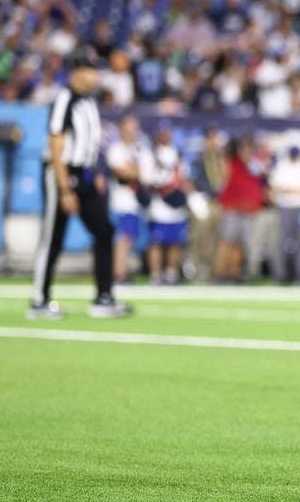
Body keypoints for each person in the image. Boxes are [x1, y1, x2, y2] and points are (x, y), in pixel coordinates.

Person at [29, 49, 131, 319]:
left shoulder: (89, 101)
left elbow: (90, 143)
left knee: (104, 230)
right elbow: (55, 144)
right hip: (60, 172)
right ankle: (39, 300)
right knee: (53, 237)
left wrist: (95, 172)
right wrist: (64, 188)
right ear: (77, 72)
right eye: (91, 70)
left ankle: (104, 297)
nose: (96, 76)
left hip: (84, 173)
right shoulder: (65, 99)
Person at [140, 127, 189, 285]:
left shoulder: (178, 153)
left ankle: (171, 273)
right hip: (158, 204)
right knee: (156, 242)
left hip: (175, 204)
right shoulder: (150, 154)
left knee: (175, 241)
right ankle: (156, 274)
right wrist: (163, 183)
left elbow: (184, 177)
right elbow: (146, 178)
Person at [214, 136, 265, 282]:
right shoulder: (231, 163)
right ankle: (220, 273)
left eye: (249, 149)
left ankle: (233, 274)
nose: (246, 152)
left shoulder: (255, 165)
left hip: (248, 209)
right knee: (227, 241)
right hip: (233, 208)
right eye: (243, 148)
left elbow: (259, 180)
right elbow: (223, 181)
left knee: (240, 244)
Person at [269, 145, 300, 283]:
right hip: (285, 208)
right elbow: (278, 188)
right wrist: (298, 191)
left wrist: (292, 190)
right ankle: (280, 275)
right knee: (282, 242)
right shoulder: (282, 167)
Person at [106, 114, 144, 284]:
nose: (131, 132)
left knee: (129, 239)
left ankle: (123, 270)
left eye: (134, 129)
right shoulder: (116, 149)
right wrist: (134, 172)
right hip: (120, 202)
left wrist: (134, 172)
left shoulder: (138, 149)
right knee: (123, 239)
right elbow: (120, 172)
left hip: (133, 202)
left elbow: (145, 172)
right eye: (129, 128)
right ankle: (118, 273)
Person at [188, 127, 225, 281]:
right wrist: (195, 199)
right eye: (211, 139)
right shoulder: (197, 159)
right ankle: (197, 267)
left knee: (216, 236)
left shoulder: (221, 159)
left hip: (217, 201)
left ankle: (212, 268)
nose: (213, 142)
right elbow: (190, 180)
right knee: (200, 235)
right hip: (202, 200)